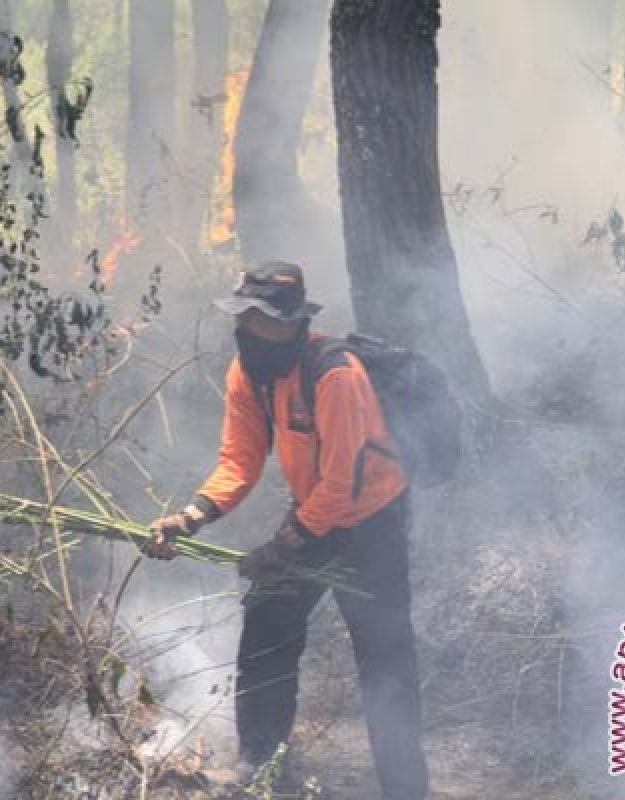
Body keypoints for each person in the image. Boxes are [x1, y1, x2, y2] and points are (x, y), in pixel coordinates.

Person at [141, 261, 430, 800]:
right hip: (315, 512)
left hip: (372, 523)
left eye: (262, 319)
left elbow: (345, 481)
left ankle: (406, 788)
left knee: (383, 656)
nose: (249, 329)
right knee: (267, 623)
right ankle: (260, 765)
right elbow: (239, 460)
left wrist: (284, 545)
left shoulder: (335, 373)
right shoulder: (248, 370)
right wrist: (192, 516)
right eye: (244, 317)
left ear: (294, 322)